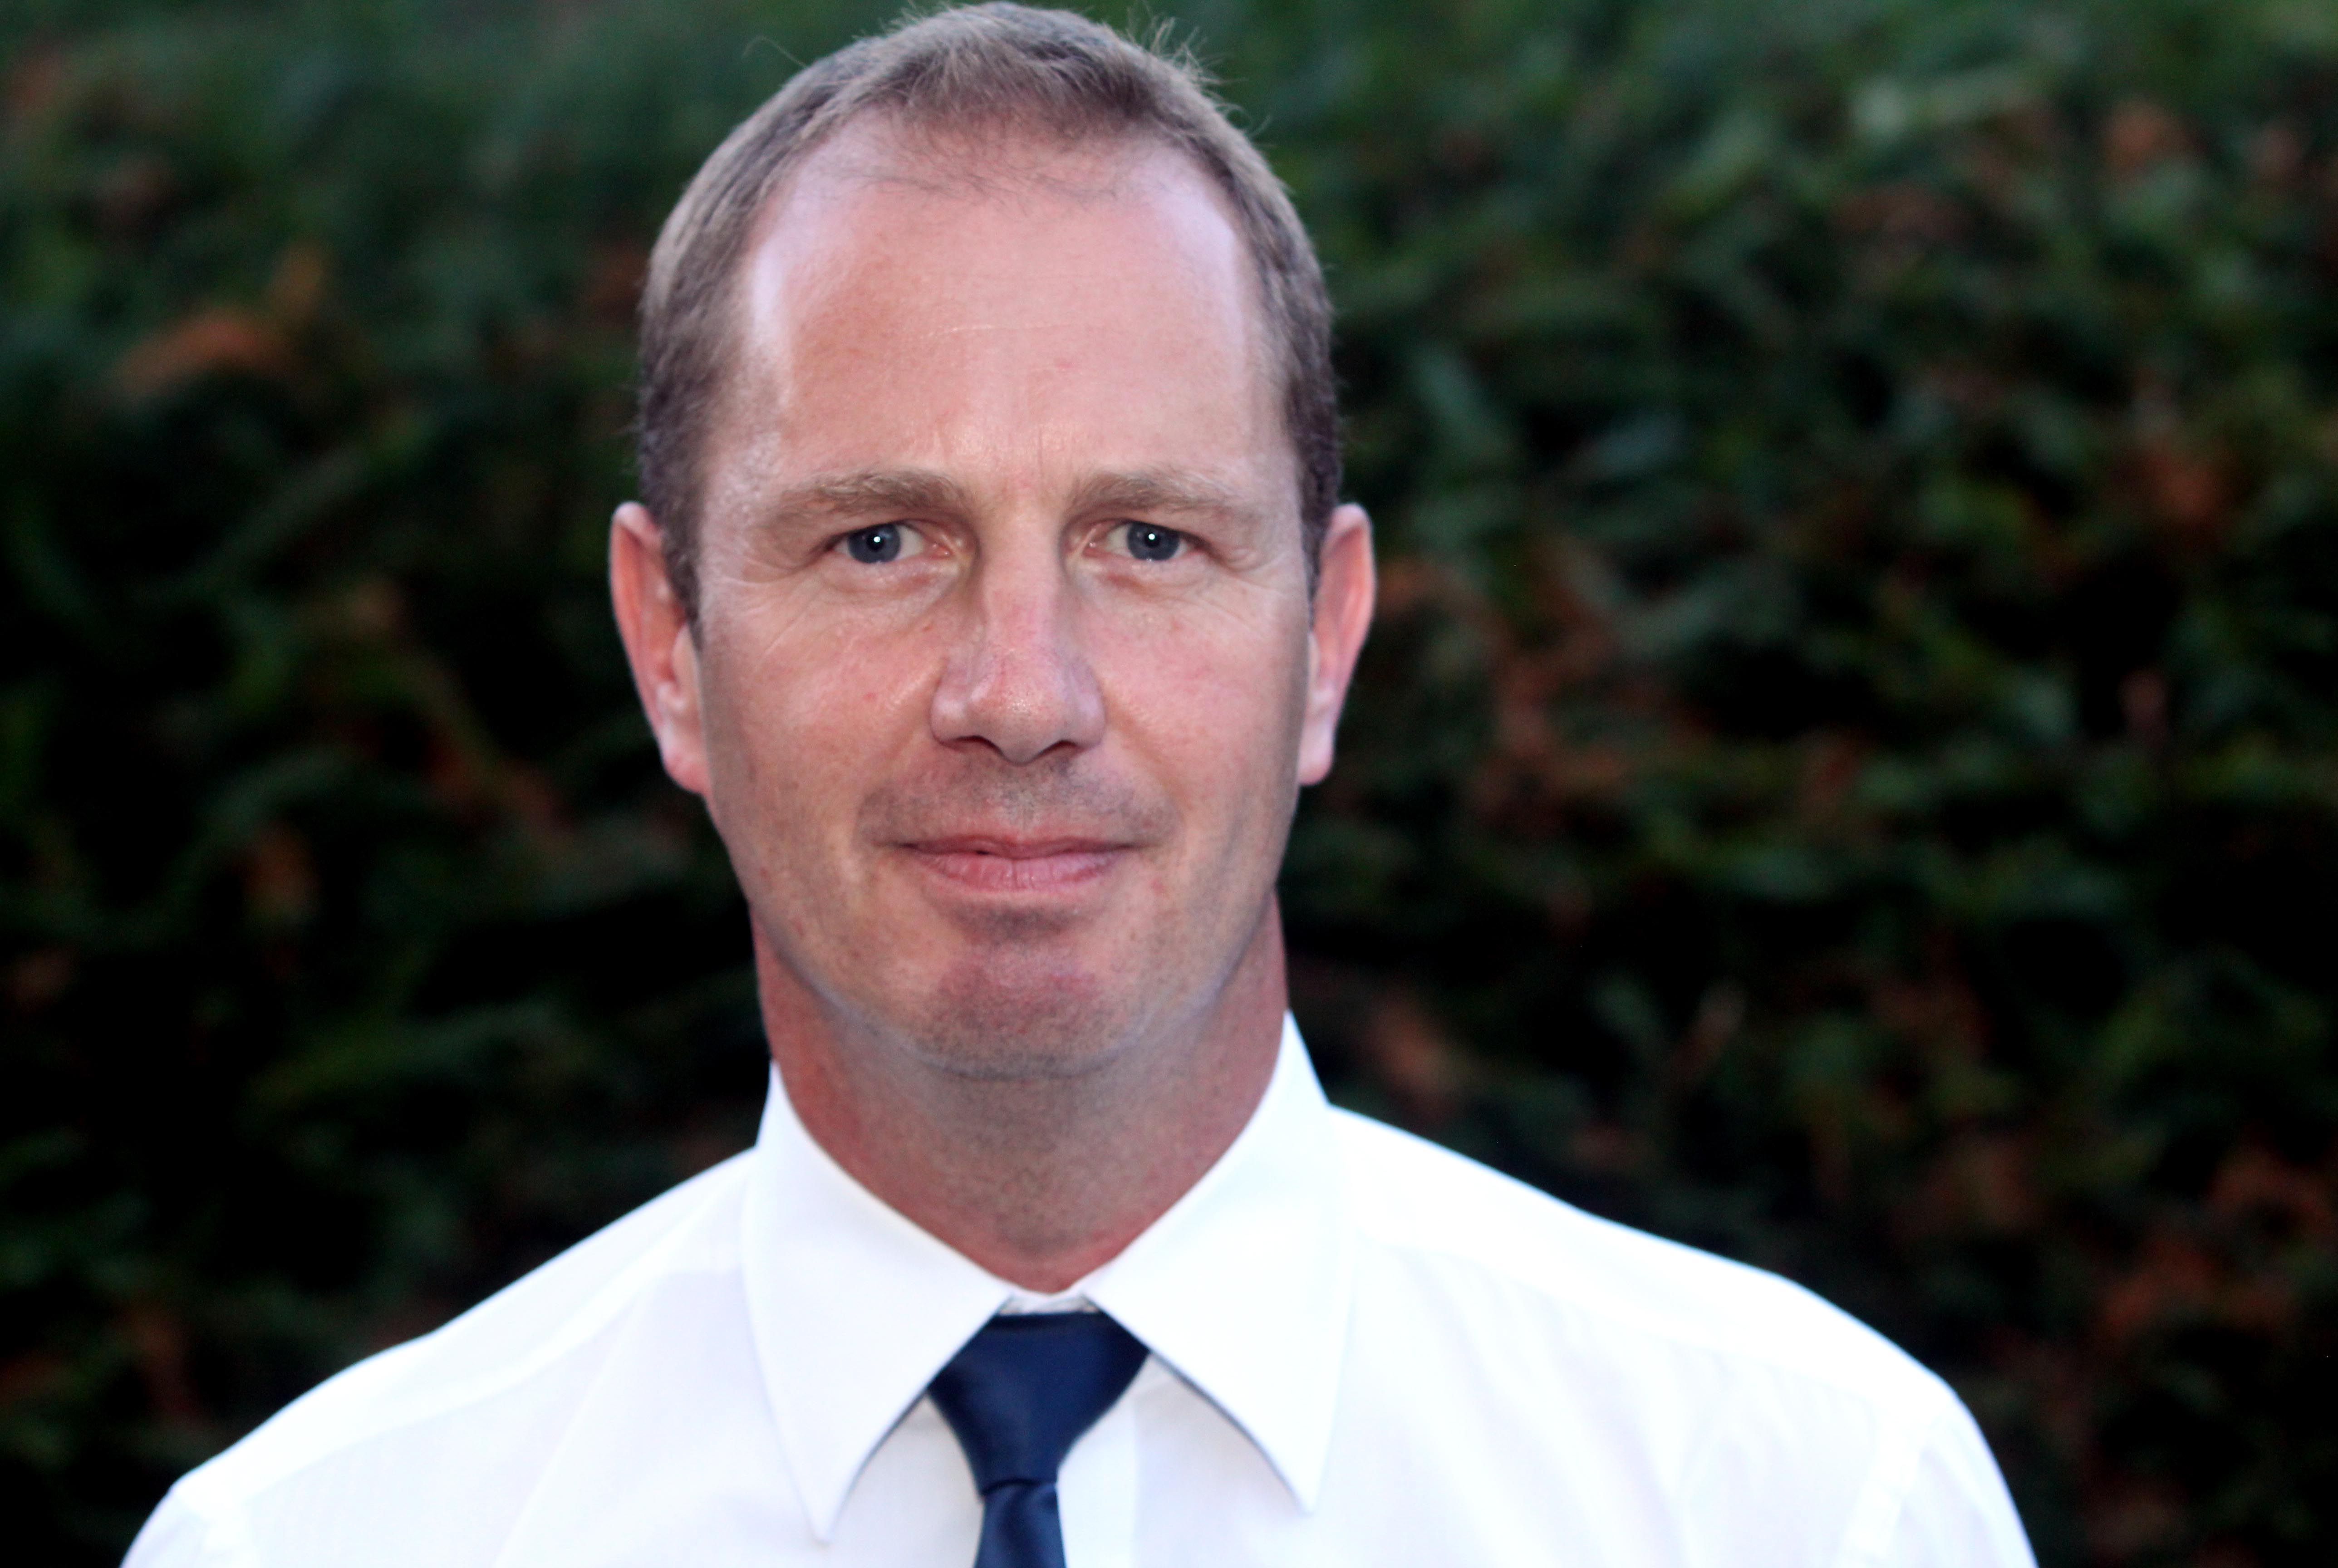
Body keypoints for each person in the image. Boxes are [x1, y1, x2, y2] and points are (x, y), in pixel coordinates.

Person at [125, 6, 2037, 1565]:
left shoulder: (1802, 1506)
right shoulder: (316, 1545)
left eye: (1148, 540)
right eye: (881, 542)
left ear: (1326, 640)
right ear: (671, 645)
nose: (1023, 696)